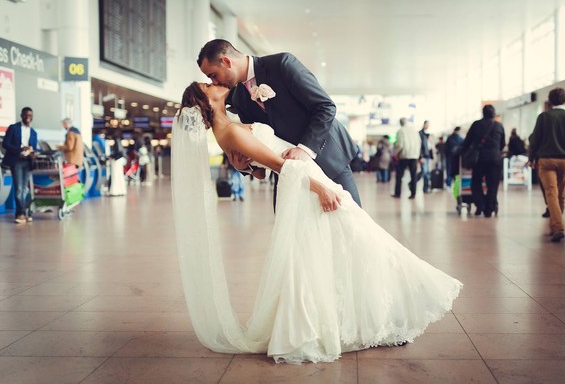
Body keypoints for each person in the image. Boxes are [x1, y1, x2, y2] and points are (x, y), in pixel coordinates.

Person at [171, 82, 462, 364]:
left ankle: (363, 316)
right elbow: (278, 165)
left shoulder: (230, 123)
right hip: (306, 184)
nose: (214, 83)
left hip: (306, 179)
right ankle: (373, 315)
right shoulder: (229, 131)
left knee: (344, 243)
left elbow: (259, 168)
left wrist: (245, 165)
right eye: (207, 86)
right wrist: (320, 188)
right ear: (204, 101)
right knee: (355, 240)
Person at [197, 39, 361, 207]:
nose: (214, 82)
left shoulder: (282, 64)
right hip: (288, 175)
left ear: (226, 61)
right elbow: (260, 146)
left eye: (213, 75)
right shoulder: (239, 99)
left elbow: (325, 106)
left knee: (353, 225)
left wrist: (304, 149)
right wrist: (246, 167)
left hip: (328, 159)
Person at [528, 88, 565, 242]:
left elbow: (535, 140)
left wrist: (532, 158)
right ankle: (556, 226)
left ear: (550, 101)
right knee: (561, 194)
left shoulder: (543, 117)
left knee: (551, 193)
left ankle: (557, 226)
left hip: (546, 160)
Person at [460, 105, 505, 218]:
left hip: (480, 159)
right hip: (495, 159)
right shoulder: (499, 125)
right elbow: (502, 144)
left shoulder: (476, 124)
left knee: (476, 183)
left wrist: (463, 153)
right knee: (492, 185)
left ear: (483, 113)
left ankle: (480, 205)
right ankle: (489, 209)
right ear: (494, 113)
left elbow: (467, 142)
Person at [1, 107, 38, 223]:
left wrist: (33, 153)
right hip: (16, 161)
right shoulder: (13, 128)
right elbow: (5, 144)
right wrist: (19, 149)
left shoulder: (33, 132)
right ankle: (20, 214)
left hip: (28, 162)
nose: (28, 117)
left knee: (25, 190)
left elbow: (34, 147)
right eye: (26, 115)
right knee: (19, 189)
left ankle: (25, 212)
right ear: (21, 115)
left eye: (30, 115)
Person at [392, 117, 421, 199]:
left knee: (399, 175)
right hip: (414, 156)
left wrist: (396, 154)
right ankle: (413, 193)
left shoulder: (401, 131)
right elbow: (419, 143)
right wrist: (417, 155)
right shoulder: (415, 131)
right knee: (413, 175)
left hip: (404, 156)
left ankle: (398, 193)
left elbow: (400, 145)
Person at [418, 121, 432, 193]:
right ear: (424, 124)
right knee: (425, 172)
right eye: (427, 124)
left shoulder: (426, 134)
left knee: (426, 172)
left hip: (427, 156)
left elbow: (428, 147)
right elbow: (419, 146)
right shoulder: (420, 134)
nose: (428, 126)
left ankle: (426, 188)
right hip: (423, 156)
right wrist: (421, 157)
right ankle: (425, 188)